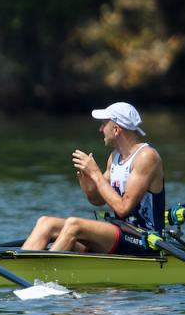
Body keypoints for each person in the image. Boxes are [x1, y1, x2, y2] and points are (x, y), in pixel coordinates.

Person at [21, 102, 164, 254]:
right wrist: (89, 188)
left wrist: (96, 174)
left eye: (104, 124)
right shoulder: (114, 157)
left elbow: (123, 208)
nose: (100, 129)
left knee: (74, 225)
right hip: (120, 232)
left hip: (143, 239)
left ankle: (41, 275)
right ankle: (19, 269)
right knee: (46, 223)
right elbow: (98, 201)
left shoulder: (146, 157)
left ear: (116, 129)